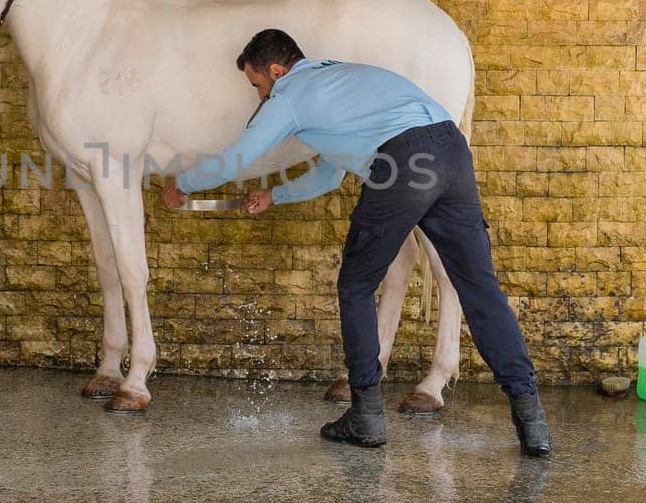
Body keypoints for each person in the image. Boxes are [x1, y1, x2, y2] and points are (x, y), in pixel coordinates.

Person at [162, 29, 552, 457]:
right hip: (450, 150)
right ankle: (532, 423)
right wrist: (276, 195)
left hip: (402, 161)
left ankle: (366, 416)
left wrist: (182, 184)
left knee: (355, 286)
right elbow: (330, 172)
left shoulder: (290, 94)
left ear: (276, 70)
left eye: (257, 85)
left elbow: (240, 156)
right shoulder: (339, 83)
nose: (259, 98)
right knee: (481, 289)